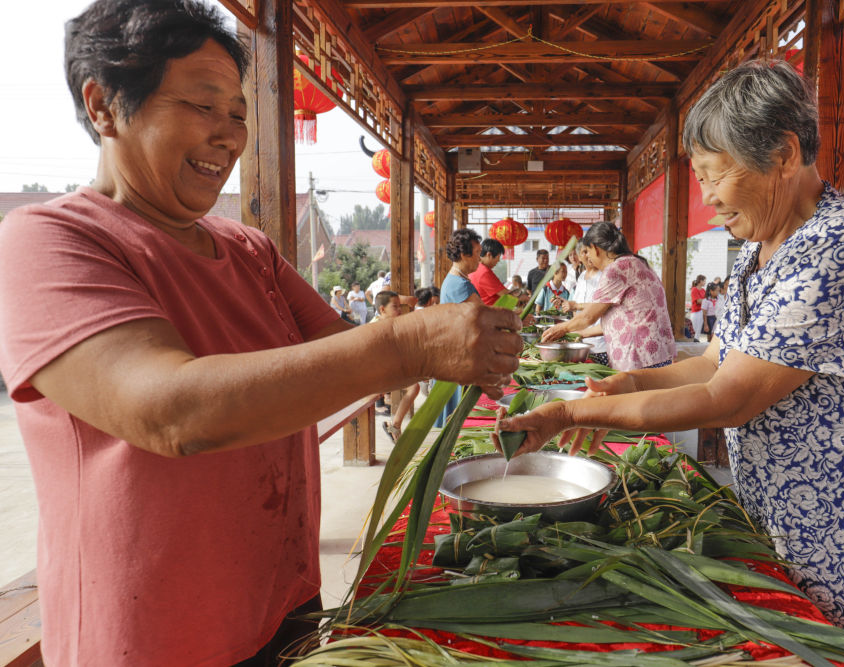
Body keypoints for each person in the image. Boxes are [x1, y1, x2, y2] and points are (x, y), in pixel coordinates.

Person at [0, 3, 523, 665]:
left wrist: (442, 341)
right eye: (203, 106)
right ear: (104, 106)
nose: (229, 136)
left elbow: (337, 350)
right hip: (155, 636)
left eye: (239, 114)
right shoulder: (49, 241)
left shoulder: (249, 249)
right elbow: (169, 411)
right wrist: (411, 344)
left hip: (283, 601)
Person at [498, 60, 844, 652]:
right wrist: (631, 384)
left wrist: (569, 413)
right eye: (701, 179)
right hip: (791, 524)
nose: (708, 198)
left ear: (784, 154)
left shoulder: (843, 244)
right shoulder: (760, 249)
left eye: (716, 176)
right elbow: (714, 362)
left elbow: (728, 398)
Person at [540, 222, 674, 371]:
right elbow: (621, 320)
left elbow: (588, 317)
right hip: (658, 355)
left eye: (587, 252)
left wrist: (561, 328)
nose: (587, 258)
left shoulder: (615, 270)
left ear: (595, 249)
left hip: (640, 359)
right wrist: (579, 333)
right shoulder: (639, 263)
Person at [435, 228, 484, 427]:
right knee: (455, 421)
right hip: (457, 359)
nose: (480, 258)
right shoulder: (459, 285)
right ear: (464, 254)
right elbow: (485, 317)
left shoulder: (457, 279)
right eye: (478, 253)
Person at [370, 291, 421, 443]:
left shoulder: (391, 324)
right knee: (414, 387)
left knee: (415, 386)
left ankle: (394, 426)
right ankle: (395, 426)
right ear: (382, 309)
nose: (399, 310)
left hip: (386, 371)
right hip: (373, 375)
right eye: (395, 307)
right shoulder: (374, 327)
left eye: (400, 306)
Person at [559, 245, 609, 366]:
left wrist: (576, 306)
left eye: (589, 251)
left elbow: (602, 307)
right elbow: (576, 309)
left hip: (601, 344)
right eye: (584, 252)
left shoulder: (604, 275)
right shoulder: (581, 277)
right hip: (582, 343)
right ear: (579, 257)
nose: (588, 255)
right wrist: (574, 330)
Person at [468, 238, 510, 306]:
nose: (498, 261)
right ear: (489, 255)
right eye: (498, 257)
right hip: (488, 311)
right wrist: (521, 295)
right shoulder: (484, 272)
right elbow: (505, 294)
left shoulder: (475, 267)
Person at [689, 275, 707, 342]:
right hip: (696, 312)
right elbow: (698, 301)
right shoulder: (694, 289)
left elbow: (705, 300)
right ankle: (692, 341)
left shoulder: (703, 290)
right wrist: (706, 301)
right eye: (704, 281)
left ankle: (696, 340)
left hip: (702, 311)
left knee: (698, 329)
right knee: (694, 328)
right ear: (700, 281)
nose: (705, 282)